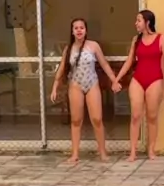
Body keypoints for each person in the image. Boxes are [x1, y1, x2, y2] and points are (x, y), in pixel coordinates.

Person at [51, 18, 121, 162]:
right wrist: (55, 86)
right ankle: (75, 154)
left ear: (86, 30)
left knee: (97, 119)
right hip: (75, 85)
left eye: (81, 28)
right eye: (76, 28)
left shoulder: (93, 46)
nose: (79, 30)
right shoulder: (68, 49)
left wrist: (114, 80)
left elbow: (104, 64)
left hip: (92, 84)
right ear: (72, 31)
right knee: (76, 120)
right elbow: (62, 68)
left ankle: (102, 152)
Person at [115, 10, 164, 161]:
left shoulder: (161, 39)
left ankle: (151, 150)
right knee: (135, 116)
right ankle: (133, 151)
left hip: (155, 80)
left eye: (138, 20)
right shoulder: (136, 40)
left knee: (152, 116)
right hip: (138, 80)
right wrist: (117, 79)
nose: (136, 23)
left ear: (147, 22)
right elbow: (129, 61)